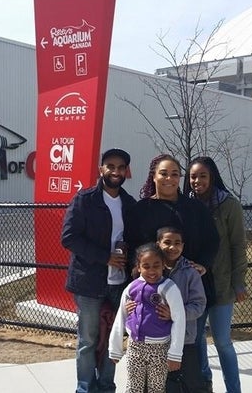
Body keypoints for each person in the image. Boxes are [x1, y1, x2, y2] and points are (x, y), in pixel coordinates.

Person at [62, 148, 138, 393]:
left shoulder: (129, 203)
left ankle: (106, 387)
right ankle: (85, 388)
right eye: (110, 166)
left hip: (119, 284)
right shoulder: (84, 199)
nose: (115, 171)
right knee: (88, 341)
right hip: (89, 283)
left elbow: (136, 238)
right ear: (101, 169)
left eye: (120, 167)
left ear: (126, 171)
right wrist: (105, 257)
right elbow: (69, 238)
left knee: (113, 340)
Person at [186, 156, 248, 393]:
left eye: (203, 175)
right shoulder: (188, 205)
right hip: (195, 286)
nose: (197, 181)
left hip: (221, 284)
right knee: (198, 339)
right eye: (193, 176)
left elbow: (237, 246)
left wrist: (239, 283)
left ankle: (233, 389)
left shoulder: (228, 205)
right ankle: (205, 385)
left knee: (222, 341)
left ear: (212, 177)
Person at [124, 154, 219, 304]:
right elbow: (131, 245)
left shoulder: (195, 208)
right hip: (150, 288)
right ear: (154, 176)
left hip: (188, 289)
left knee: (190, 328)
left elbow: (212, 240)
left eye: (174, 174)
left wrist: (203, 263)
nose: (169, 178)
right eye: (163, 174)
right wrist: (137, 270)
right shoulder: (140, 210)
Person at [109, 242, 186, 393]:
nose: (152, 271)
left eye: (156, 265)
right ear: (139, 267)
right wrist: (115, 348)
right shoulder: (131, 288)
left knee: (156, 389)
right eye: (146, 266)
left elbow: (179, 319)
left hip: (159, 349)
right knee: (133, 388)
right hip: (135, 347)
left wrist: (175, 354)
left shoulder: (169, 288)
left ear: (163, 265)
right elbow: (121, 316)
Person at [155, 226, 207, 392]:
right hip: (157, 339)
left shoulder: (191, 273)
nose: (173, 247)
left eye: (177, 243)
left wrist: (175, 314)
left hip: (184, 339)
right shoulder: (151, 271)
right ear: (158, 244)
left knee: (192, 383)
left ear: (183, 246)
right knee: (162, 383)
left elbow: (198, 305)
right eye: (167, 242)